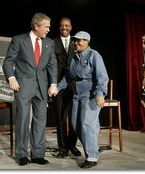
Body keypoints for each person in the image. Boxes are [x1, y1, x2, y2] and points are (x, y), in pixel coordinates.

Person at [2, 13, 58, 166]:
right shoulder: (19, 40)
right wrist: (11, 78)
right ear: (36, 26)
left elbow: (52, 64)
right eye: (46, 27)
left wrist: (53, 84)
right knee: (23, 120)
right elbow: (8, 62)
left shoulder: (49, 43)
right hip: (23, 86)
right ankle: (21, 154)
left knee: (40, 120)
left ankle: (38, 154)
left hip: (42, 87)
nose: (48, 30)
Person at [55, 31, 109, 168]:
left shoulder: (94, 55)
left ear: (87, 42)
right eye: (75, 40)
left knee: (87, 125)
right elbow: (68, 76)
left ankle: (92, 156)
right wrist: (58, 87)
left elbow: (102, 76)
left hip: (91, 94)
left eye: (80, 40)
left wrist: (100, 93)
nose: (76, 42)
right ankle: (93, 146)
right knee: (75, 124)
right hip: (77, 94)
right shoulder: (75, 57)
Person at [52, 17, 81, 158]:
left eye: (67, 25)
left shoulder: (77, 42)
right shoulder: (53, 43)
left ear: (71, 27)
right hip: (58, 85)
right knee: (60, 117)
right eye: (62, 25)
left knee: (74, 116)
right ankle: (62, 148)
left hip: (74, 84)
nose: (64, 28)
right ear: (59, 27)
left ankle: (72, 145)